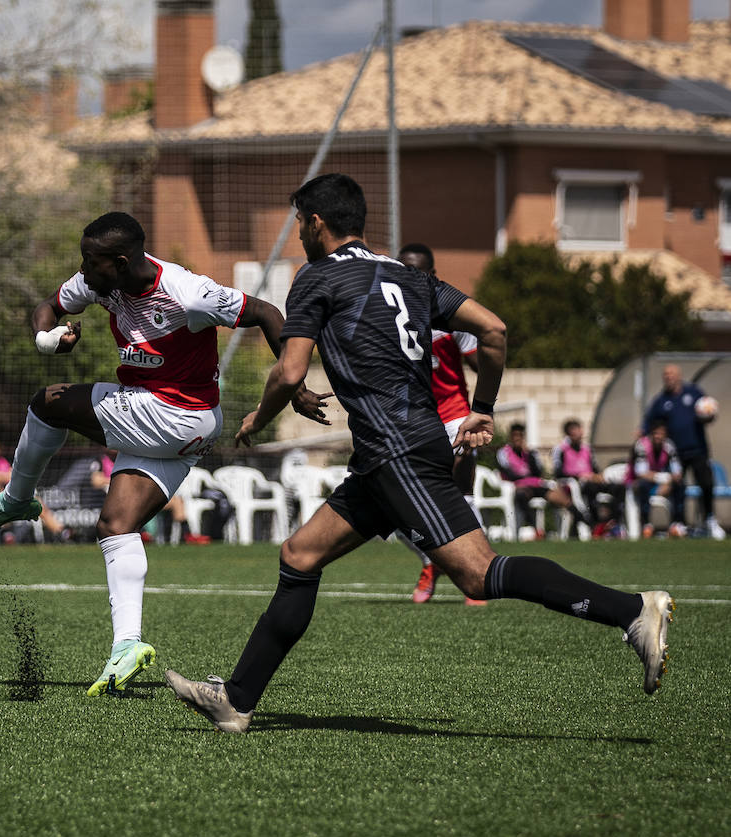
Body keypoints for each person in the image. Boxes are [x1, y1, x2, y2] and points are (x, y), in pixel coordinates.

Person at [165, 173, 673, 734]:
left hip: (398, 453)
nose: (298, 236)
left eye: (298, 224)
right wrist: (483, 405)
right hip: (392, 454)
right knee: (300, 556)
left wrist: (259, 418)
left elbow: (289, 371)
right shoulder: (410, 277)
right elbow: (495, 329)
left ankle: (632, 611)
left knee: (479, 575)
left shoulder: (314, 279)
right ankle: (236, 701)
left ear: (314, 223)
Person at [0, 211, 330, 697]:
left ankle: (16, 498)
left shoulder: (186, 291)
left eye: (91, 263)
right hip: (171, 423)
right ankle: (127, 646)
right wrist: (48, 339)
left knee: (47, 403)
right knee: (116, 525)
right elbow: (48, 308)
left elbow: (267, 312)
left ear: (119, 263)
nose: (83, 271)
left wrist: (295, 385)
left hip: (178, 413)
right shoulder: (101, 281)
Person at [396, 243, 485, 606]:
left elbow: (484, 362)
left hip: (455, 418)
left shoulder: (452, 312)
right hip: (411, 422)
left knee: (460, 496)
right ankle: (432, 559)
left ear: (433, 276)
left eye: (417, 271)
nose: (410, 277)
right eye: (403, 270)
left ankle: (478, 576)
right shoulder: (388, 314)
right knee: (392, 505)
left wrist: (483, 409)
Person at [644, 364, 724, 539]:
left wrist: (709, 415)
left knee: (706, 483)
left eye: (671, 374)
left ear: (679, 375)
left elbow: (709, 411)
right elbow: (649, 422)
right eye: (665, 374)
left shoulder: (694, 393)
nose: (668, 377)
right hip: (674, 454)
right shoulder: (661, 400)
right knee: (677, 487)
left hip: (698, 450)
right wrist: (642, 431)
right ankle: (679, 523)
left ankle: (709, 520)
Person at [89, 449, 211, 545]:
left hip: (138, 493)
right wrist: (118, 483)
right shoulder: (100, 460)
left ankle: (186, 535)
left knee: (177, 502)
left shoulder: (128, 457)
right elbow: (96, 481)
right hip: (118, 498)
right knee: (135, 504)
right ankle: (143, 534)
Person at [495, 423, 589, 537]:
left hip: (535, 484)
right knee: (521, 495)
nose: (518, 438)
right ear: (511, 437)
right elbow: (507, 472)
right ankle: (536, 530)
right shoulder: (504, 452)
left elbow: (538, 472)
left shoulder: (530, 453)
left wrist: (528, 455)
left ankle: (586, 522)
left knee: (561, 498)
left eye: (520, 435)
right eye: (515, 435)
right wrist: (522, 479)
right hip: (519, 486)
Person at [0, 439, 71, 542]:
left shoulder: (2, 462)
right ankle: (6, 533)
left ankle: (63, 533)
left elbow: (13, 477)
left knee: (38, 504)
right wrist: (2, 477)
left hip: (14, 495)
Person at [551, 419, 624, 538]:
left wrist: (597, 476)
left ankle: (612, 522)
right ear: (568, 433)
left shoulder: (587, 449)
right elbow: (558, 472)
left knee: (619, 488)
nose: (579, 432)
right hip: (575, 484)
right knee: (591, 489)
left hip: (591, 480)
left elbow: (594, 468)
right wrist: (578, 476)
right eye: (575, 430)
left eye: (579, 429)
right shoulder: (561, 449)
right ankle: (593, 524)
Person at [628, 420, 686, 538]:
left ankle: (676, 523)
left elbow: (677, 472)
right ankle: (646, 524)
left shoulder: (669, 446)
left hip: (658, 481)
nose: (658, 436)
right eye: (655, 433)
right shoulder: (641, 445)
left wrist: (668, 481)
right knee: (643, 486)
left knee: (681, 485)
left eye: (661, 434)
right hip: (637, 482)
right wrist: (664, 479)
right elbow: (641, 473)